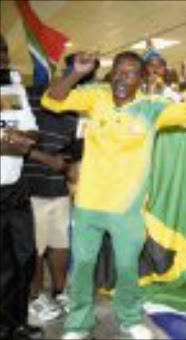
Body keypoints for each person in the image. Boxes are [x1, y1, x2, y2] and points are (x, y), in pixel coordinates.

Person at [41, 50, 186, 340]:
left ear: (142, 79)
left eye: (130, 72)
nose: (121, 77)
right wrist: (76, 72)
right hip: (88, 203)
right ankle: (78, 324)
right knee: (82, 267)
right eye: (118, 70)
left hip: (127, 209)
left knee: (127, 267)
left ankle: (129, 319)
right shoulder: (95, 95)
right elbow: (53, 99)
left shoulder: (152, 107)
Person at [25, 53, 98, 325]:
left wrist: (71, 165)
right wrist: (48, 159)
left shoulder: (76, 106)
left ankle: (58, 291)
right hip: (30, 187)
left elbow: (75, 148)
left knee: (60, 245)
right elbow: (15, 138)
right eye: (78, 72)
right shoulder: (30, 96)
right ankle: (34, 299)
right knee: (34, 248)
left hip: (58, 189)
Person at [0, 34, 44, 340]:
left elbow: (30, 128)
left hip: (15, 187)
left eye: (3, 50)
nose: (1, 56)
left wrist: (26, 139)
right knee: (2, 265)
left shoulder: (11, 88)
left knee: (25, 258)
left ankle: (18, 321)